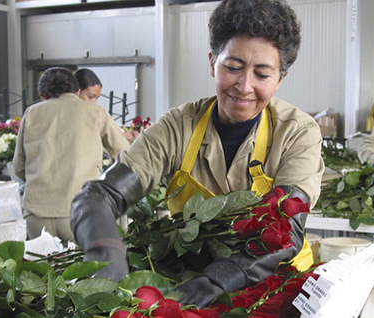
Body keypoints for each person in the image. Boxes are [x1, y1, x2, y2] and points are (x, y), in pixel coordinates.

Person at [70, 0, 324, 307]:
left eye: (262, 74)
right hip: (190, 284)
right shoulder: (179, 126)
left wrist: (216, 281)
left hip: (275, 291)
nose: (244, 86)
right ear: (212, 62)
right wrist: (106, 253)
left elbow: (286, 231)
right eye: (233, 67)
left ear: (280, 78)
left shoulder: (297, 132)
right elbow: (99, 196)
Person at [13, 67, 130, 242]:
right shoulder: (95, 112)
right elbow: (125, 155)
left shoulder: (32, 113)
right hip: (79, 212)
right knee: (84, 268)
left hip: (37, 214)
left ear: (43, 93)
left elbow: (19, 167)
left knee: (41, 268)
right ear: (77, 90)